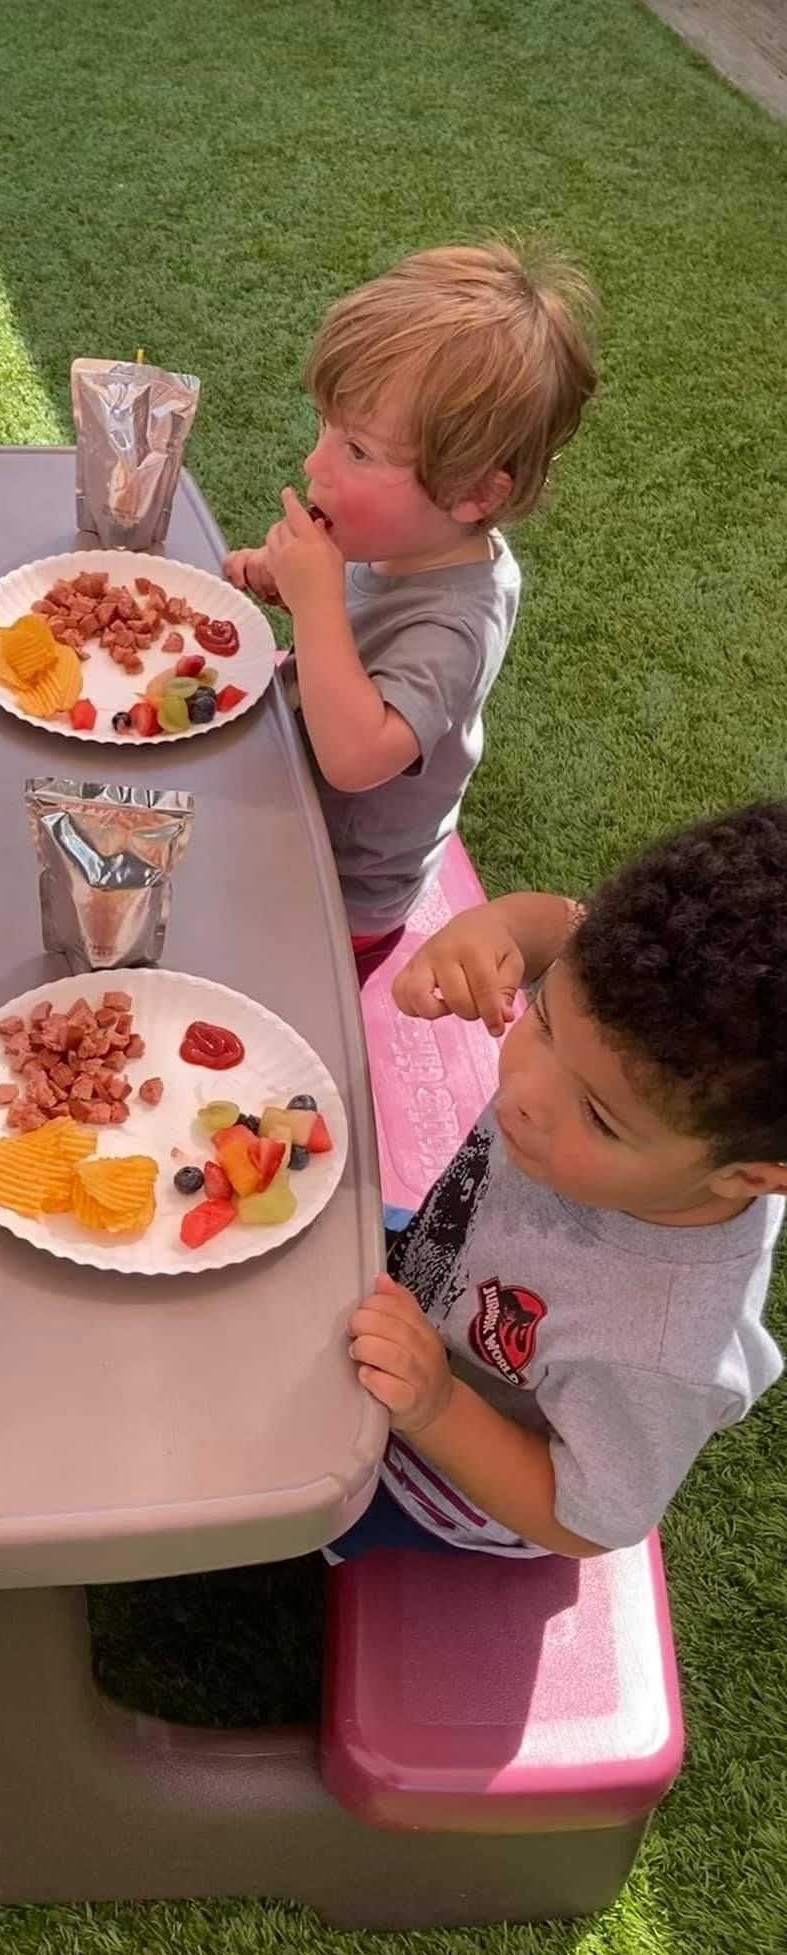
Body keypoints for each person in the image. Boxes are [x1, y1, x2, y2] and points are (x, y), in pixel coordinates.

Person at [331, 800, 786, 1561]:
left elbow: (585, 1521)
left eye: (601, 1118)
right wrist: (502, 930)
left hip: (451, 1473)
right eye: (544, 1019)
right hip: (434, 1286)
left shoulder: (659, 1348)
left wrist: (437, 1407)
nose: (522, 1093)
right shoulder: (641, 1017)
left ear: (749, 1175)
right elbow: (566, 926)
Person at [225, 243, 598, 986]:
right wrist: (283, 579)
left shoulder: (458, 623)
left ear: (475, 496)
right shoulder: (400, 532)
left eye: (358, 450)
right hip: (287, 792)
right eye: (328, 428)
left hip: (339, 890)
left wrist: (319, 604)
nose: (316, 464)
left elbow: (359, 758)